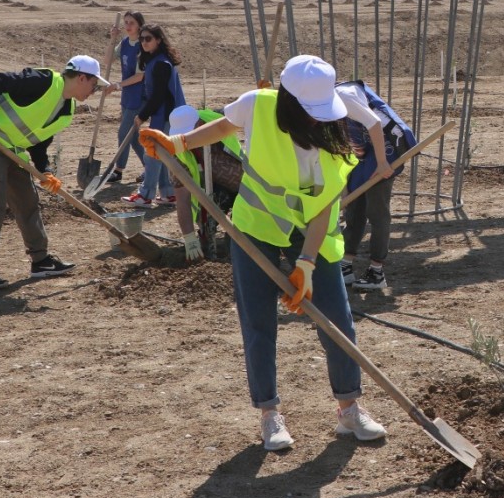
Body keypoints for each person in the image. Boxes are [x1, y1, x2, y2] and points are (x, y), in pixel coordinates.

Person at [139, 54, 387, 451]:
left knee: (337, 320)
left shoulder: (336, 137)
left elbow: (325, 206)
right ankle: (270, 415)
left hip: (314, 236)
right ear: (287, 101)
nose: (318, 119)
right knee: (258, 322)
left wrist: (306, 263)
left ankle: (349, 409)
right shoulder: (259, 103)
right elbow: (226, 124)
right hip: (257, 227)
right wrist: (180, 142)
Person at [0, 55, 109, 290]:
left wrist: (46, 171)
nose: (94, 91)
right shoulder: (43, 81)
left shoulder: (66, 110)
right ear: (82, 78)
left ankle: (41, 261)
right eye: (94, 85)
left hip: (12, 149)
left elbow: (38, 144)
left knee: (27, 201)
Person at [335, 79, 410, 290]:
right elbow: (338, 143)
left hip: (384, 151)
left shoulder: (343, 96)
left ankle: (376, 272)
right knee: (354, 210)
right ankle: (346, 266)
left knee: (377, 212)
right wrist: (344, 188)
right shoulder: (319, 105)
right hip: (361, 153)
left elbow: (374, 123)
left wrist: (382, 162)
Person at [164, 103, 244, 262]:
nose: (186, 140)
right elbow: (183, 200)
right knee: (207, 224)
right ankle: (210, 256)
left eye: (189, 133)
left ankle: (240, 256)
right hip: (211, 192)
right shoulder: (176, 155)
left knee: (241, 231)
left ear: (199, 124)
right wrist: (189, 237)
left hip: (242, 183)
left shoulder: (218, 123)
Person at [122, 24, 186, 208]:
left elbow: (159, 96)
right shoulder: (155, 61)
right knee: (162, 154)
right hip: (164, 114)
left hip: (166, 115)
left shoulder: (161, 64)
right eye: (141, 39)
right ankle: (168, 193)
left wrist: (142, 115)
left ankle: (145, 194)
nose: (144, 42)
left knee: (153, 154)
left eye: (148, 38)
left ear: (158, 39)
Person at [100, 10, 145, 185]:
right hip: (127, 96)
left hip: (140, 96)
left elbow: (140, 76)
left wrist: (117, 85)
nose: (128, 26)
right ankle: (149, 167)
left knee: (123, 132)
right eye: (126, 22)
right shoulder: (125, 43)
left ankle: (118, 170)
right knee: (132, 137)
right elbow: (107, 60)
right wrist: (113, 39)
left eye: (131, 23)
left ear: (139, 25)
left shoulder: (143, 45)